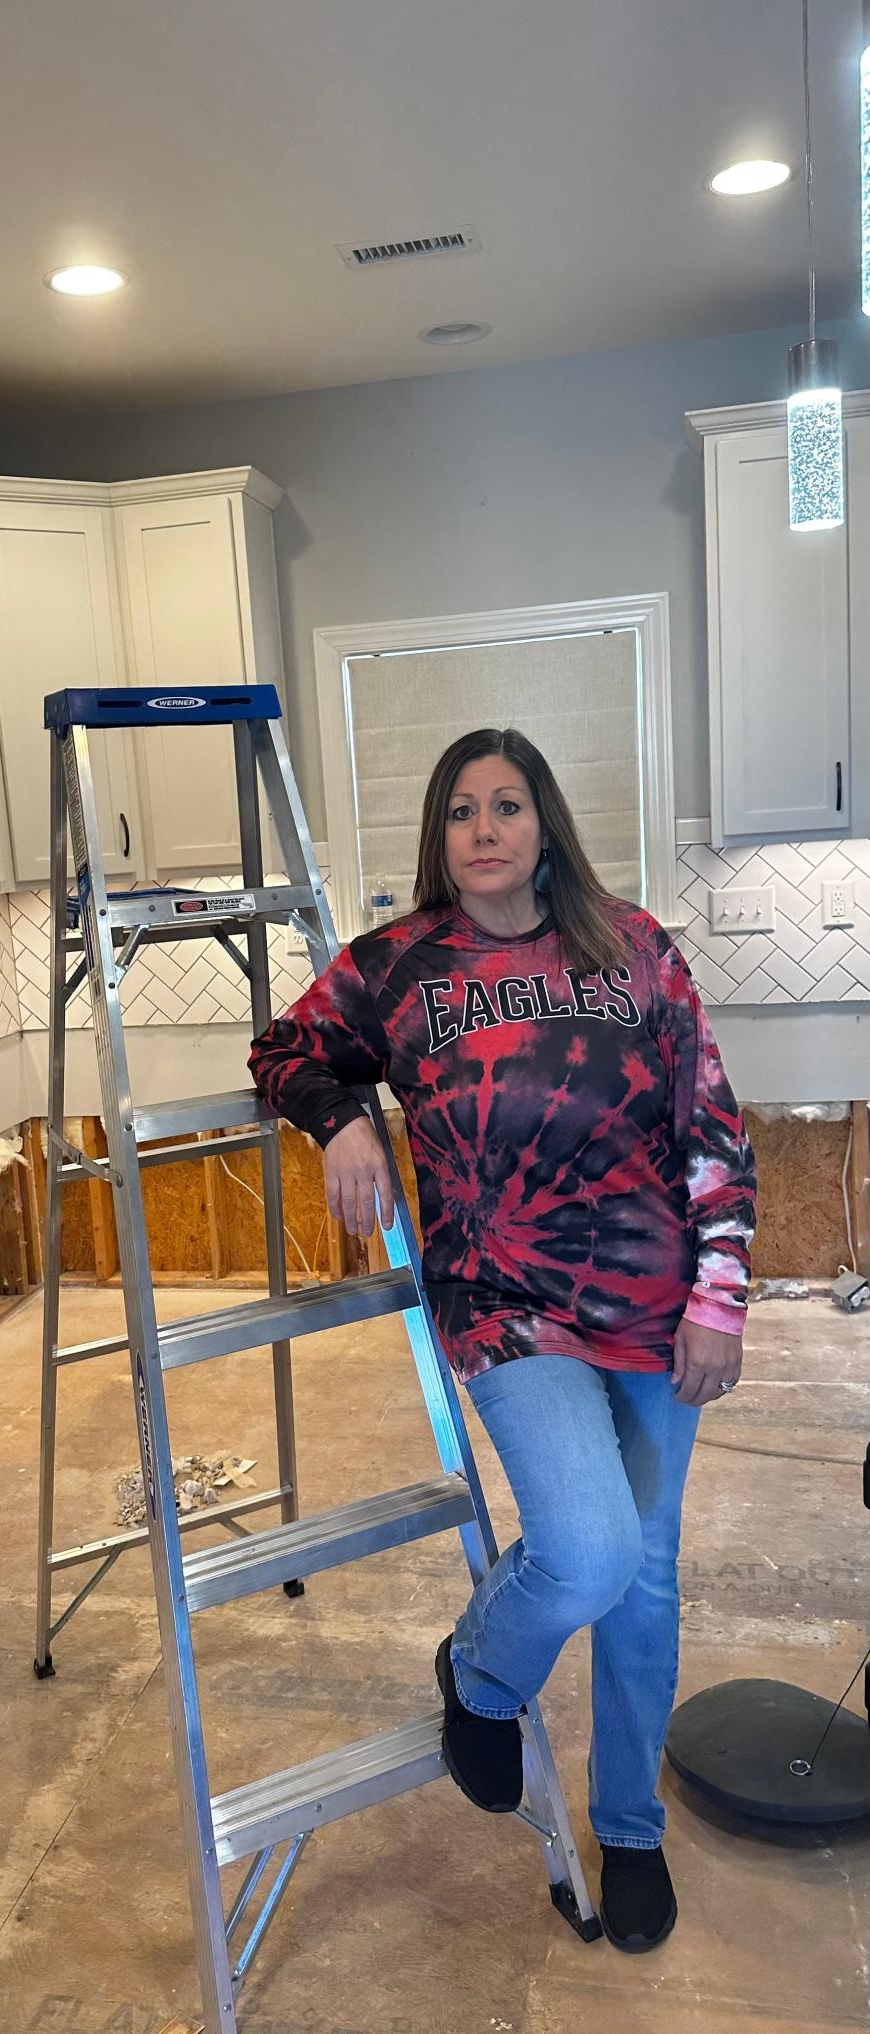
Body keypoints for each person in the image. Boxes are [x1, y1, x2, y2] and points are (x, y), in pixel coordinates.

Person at [247, 726, 756, 1955]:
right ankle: (480, 1671)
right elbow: (284, 1050)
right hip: (506, 1302)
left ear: (544, 825)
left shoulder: (636, 951)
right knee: (586, 1550)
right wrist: (340, 1122)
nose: (485, 830)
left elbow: (713, 1127)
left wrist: (721, 1295)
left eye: (509, 806)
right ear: (440, 835)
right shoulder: (397, 966)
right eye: (463, 810)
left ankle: (627, 1829)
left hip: (653, 1302)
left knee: (644, 1586)